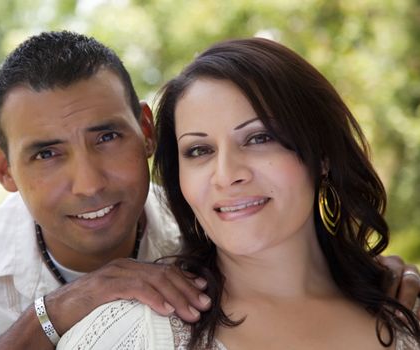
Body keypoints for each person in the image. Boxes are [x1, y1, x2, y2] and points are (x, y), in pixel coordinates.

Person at [56, 38, 420, 349]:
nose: (227, 175)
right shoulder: (132, 332)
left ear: (321, 154)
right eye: (199, 150)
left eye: (259, 138)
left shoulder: (407, 316)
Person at [0, 31, 211, 350]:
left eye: (107, 137)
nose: (89, 184)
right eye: (46, 154)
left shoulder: (212, 233)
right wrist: (53, 314)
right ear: (4, 169)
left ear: (146, 131)